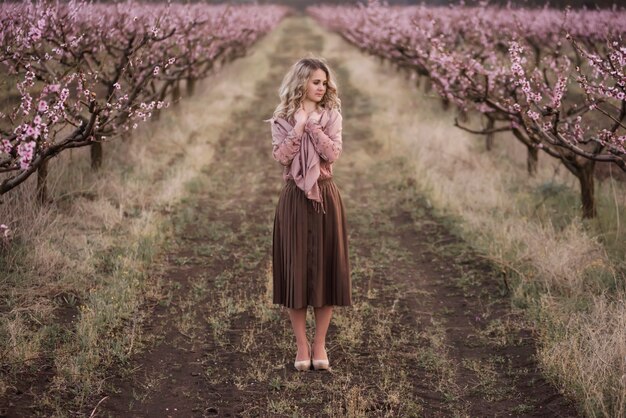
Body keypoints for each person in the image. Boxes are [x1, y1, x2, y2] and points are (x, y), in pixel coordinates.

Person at [265, 57, 352, 372]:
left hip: (325, 196)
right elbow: (282, 157)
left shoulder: (332, 117)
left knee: (326, 270)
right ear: (301, 82)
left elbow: (332, 154)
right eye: (316, 81)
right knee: (297, 272)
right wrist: (299, 126)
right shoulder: (282, 119)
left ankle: (319, 345)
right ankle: (302, 346)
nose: (321, 87)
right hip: (295, 199)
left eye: (324, 82)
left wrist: (313, 127)